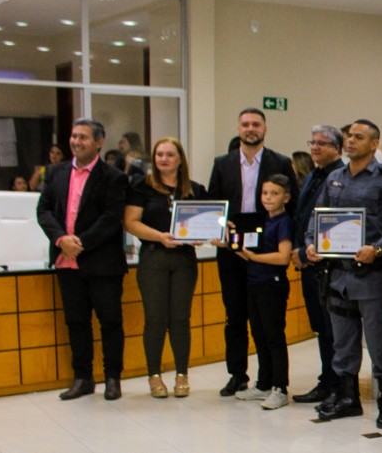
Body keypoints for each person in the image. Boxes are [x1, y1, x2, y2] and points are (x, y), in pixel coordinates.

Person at [307, 119, 382, 427]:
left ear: (374, 144)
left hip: (371, 275)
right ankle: (348, 399)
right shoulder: (335, 178)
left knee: (379, 343)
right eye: (349, 136)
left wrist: (377, 249)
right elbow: (319, 216)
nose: (350, 141)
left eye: (358, 137)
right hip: (337, 274)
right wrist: (311, 243)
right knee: (343, 342)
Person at [36, 119, 130, 401]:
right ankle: (83, 378)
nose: (76, 142)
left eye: (83, 137)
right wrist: (61, 239)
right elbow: (43, 211)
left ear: (99, 142)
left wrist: (80, 243)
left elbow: (112, 218)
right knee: (76, 322)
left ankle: (112, 378)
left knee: (110, 322)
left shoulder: (113, 177)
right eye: (73, 136)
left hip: (102, 263)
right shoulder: (55, 172)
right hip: (66, 261)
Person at [207, 108, 298, 397]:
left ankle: (269, 380)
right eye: (245, 124)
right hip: (232, 248)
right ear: (238, 127)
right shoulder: (222, 163)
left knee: (266, 320)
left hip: (268, 244)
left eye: (255, 124)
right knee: (235, 316)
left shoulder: (280, 162)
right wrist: (221, 228)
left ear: (265, 128)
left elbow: (292, 205)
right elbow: (214, 203)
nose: (250, 128)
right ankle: (237, 375)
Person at [123, 137, 206, 398]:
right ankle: (154, 375)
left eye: (170, 154)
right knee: (156, 319)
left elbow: (208, 222)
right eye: (159, 154)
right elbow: (131, 222)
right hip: (153, 258)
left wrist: (203, 235)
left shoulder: (195, 189)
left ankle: (182, 373)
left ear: (180, 159)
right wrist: (160, 236)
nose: (164, 159)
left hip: (184, 260)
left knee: (180, 319)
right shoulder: (141, 187)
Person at [222, 174, 295, 410]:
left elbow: (283, 257)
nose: (268, 198)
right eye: (265, 193)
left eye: (274, 193)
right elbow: (246, 247)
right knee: (259, 335)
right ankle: (264, 383)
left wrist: (254, 257)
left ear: (286, 197)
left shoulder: (284, 221)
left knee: (274, 336)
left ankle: (280, 388)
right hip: (254, 283)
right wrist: (229, 243)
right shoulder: (263, 220)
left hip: (272, 285)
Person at [290, 125, 346, 406]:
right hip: (308, 259)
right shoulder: (313, 175)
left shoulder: (339, 177)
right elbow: (303, 216)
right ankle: (327, 379)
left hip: (328, 263)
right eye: (312, 142)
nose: (315, 147)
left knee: (332, 327)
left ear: (337, 147)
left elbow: (332, 219)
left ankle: (337, 383)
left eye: (322, 143)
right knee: (320, 326)